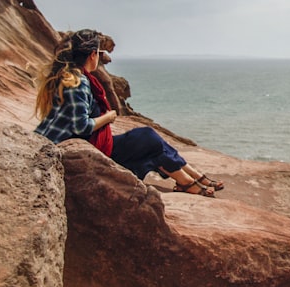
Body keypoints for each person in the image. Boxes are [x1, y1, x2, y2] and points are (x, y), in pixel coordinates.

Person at [34, 29, 224, 197]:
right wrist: (109, 117)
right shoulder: (78, 81)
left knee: (149, 139)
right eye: (99, 53)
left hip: (70, 142)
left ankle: (191, 179)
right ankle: (188, 182)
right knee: (148, 139)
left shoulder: (66, 75)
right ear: (93, 54)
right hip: (70, 149)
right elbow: (81, 126)